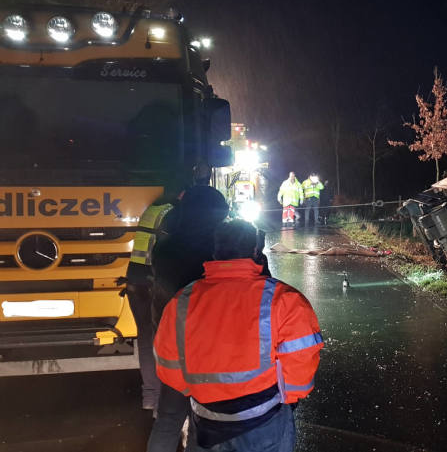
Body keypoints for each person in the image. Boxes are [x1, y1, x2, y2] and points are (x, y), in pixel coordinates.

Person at [153, 219, 323, 451]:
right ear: (255, 250)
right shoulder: (284, 299)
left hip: (206, 420)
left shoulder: (182, 301)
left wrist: (200, 392)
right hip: (264, 420)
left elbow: (168, 363)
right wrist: (289, 398)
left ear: (215, 252)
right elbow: (301, 362)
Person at [147, 185, 229, 452]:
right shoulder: (217, 249)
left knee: (169, 417)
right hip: (207, 346)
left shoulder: (165, 246)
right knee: (201, 418)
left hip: (171, 341)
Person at [125, 196, 176, 411]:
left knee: (146, 339)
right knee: (167, 339)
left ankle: (150, 397)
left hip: (136, 278)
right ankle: (166, 399)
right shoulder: (173, 212)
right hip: (153, 281)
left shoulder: (154, 209)